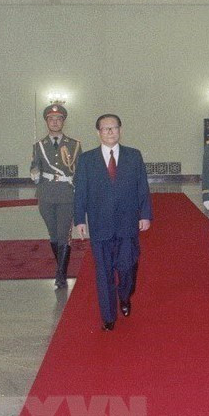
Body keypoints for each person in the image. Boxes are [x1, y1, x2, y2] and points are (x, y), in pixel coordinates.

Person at [74, 114, 152, 331]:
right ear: (97, 132)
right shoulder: (87, 159)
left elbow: (142, 187)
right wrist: (80, 219)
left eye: (114, 128)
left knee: (128, 267)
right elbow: (80, 192)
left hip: (128, 224)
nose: (110, 132)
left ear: (120, 130)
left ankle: (125, 296)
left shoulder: (133, 156)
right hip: (100, 225)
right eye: (105, 128)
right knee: (104, 272)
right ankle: (108, 317)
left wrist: (145, 214)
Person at [30, 103, 82, 290]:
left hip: (67, 194)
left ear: (63, 122)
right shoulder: (39, 146)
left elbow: (79, 172)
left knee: (63, 235)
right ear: (46, 122)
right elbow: (35, 167)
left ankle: (61, 273)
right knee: (53, 234)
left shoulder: (74, 145)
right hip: (46, 194)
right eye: (51, 119)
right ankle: (60, 269)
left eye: (58, 119)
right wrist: (34, 173)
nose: (54, 122)